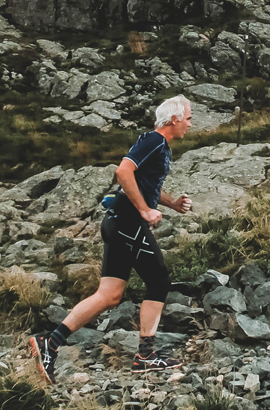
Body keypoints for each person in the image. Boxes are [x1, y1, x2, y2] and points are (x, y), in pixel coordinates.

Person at [27, 95, 196, 383]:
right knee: (158, 280)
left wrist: (171, 204)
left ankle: (50, 343)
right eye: (189, 118)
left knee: (110, 295)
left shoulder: (159, 145)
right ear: (174, 119)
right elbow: (123, 171)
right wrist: (144, 210)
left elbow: (144, 183)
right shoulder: (154, 140)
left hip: (117, 222)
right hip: (128, 222)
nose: (191, 124)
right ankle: (145, 355)